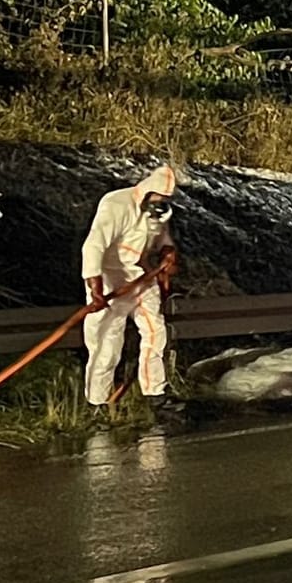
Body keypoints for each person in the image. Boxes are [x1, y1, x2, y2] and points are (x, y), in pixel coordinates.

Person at [81, 163, 181, 416]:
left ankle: (155, 395)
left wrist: (168, 252)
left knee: (155, 334)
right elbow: (93, 246)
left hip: (142, 276)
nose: (159, 204)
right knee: (107, 342)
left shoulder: (159, 212)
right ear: (147, 192)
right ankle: (98, 403)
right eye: (157, 199)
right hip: (110, 279)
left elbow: (161, 239)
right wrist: (95, 289)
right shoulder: (116, 205)